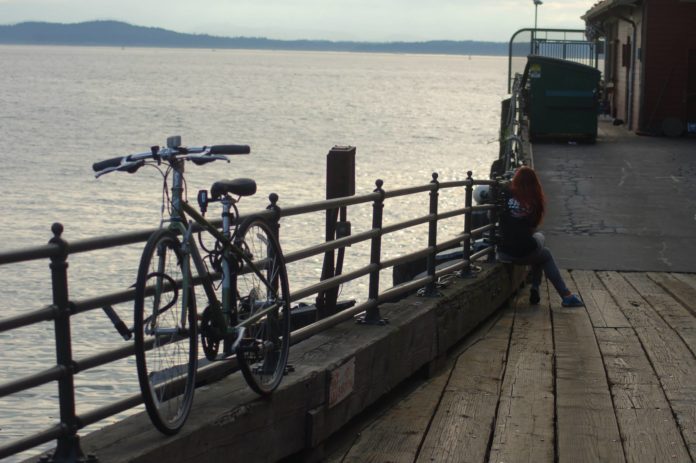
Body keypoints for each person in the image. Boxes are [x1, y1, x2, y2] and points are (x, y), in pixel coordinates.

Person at [497, 166, 583, 307]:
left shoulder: (505, 193)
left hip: (503, 252)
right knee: (544, 250)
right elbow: (533, 226)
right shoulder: (535, 200)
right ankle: (562, 294)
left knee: (539, 252)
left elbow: (496, 213)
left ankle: (537, 287)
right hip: (524, 252)